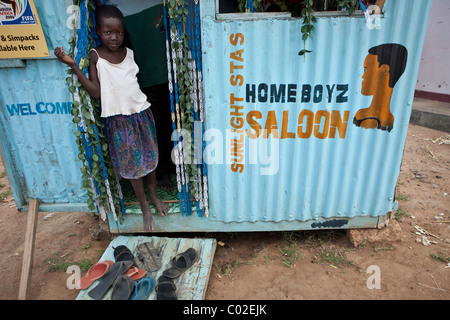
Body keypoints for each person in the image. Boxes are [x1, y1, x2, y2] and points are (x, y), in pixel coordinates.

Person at [54, 5, 169, 231]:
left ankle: (154, 196)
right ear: (98, 31)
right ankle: (145, 207)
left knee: (149, 159)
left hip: (141, 114)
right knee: (132, 166)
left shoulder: (130, 53)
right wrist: (74, 66)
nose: (114, 37)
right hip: (119, 120)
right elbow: (96, 91)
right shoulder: (96, 56)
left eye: (118, 32)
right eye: (108, 32)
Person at [94, 0, 175, 190]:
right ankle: (161, 173)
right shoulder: (116, 9)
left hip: (169, 72)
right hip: (141, 81)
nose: (113, 35)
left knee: (170, 124)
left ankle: (169, 168)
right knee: (155, 130)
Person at [353, 43, 408, 132]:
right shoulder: (390, 118)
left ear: (384, 70)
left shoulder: (364, 117)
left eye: (366, 70)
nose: (362, 76)